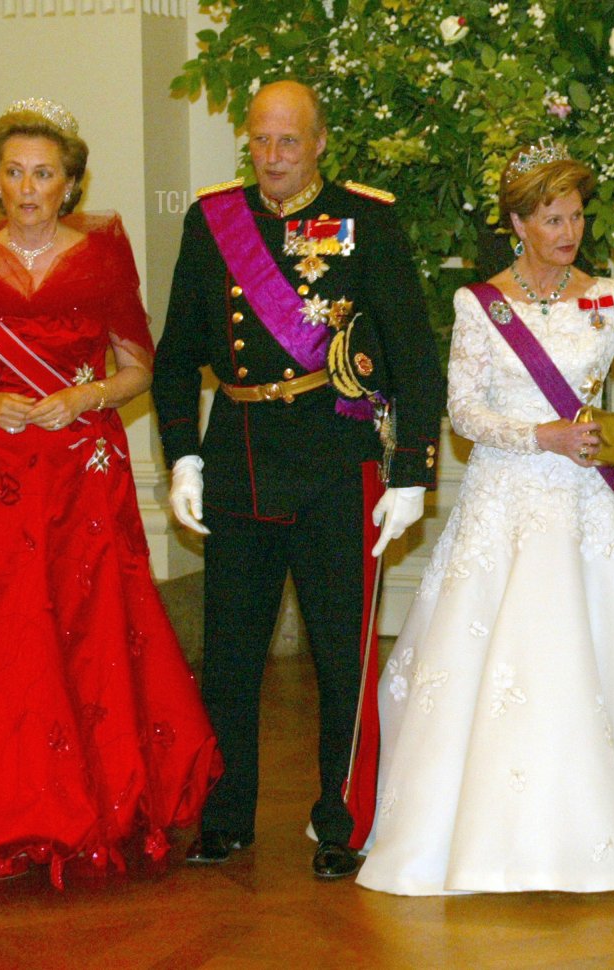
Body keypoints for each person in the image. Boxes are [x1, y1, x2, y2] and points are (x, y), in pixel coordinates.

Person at [355, 140, 614, 895]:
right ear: (519, 223)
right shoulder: (479, 305)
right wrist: (543, 436)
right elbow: (462, 410)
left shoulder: (607, 299)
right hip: (503, 502)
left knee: (608, 660)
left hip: (585, 508)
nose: (569, 232)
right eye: (553, 218)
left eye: (577, 217)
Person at [0, 98, 222, 887]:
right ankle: (1, 804)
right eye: (14, 172)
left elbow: (141, 367)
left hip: (82, 470)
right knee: (6, 629)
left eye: (45, 174)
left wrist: (90, 396)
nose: (28, 187)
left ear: (69, 185)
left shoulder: (100, 260)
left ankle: (105, 799)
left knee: (94, 620)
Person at [152, 80, 443, 879]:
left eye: (289, 141)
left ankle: (341, 819)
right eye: (260, 141)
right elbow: (176, 355)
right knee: (231, 655)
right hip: (238, 455)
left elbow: (414, 353)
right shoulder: (213, 221)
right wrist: (182, 455)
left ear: (319, 143)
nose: (273, 157)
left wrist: (411, 470)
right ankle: (226, 814)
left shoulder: (367, 219)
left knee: (340, 655)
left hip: (334, 458)